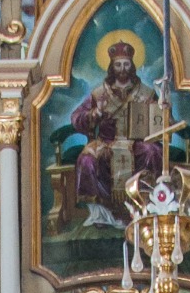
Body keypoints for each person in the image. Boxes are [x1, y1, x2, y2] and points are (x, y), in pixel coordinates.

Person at [68, 41, 162, 221]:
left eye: (126, 64)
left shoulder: (146, 93)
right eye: (118, 64)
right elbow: (76, 118)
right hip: (106, 143)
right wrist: (96, 112)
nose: (122, 69)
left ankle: (147, 205)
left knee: (153, 152)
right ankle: (99, 213)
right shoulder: (99, 94)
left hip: (137, 143)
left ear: (132, 65)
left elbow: (161, 119)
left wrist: (157, 109)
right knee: (87, 160)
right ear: (112, 66)